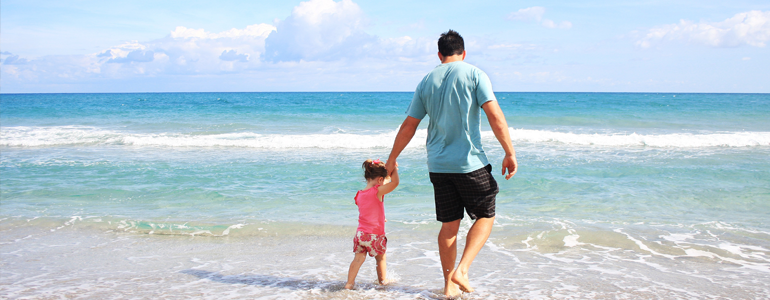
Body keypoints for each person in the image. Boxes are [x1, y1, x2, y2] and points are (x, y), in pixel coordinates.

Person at [385, 29, 517, 297]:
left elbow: (410, 125)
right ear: (463, 53)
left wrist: (392, 158)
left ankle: (448, 287)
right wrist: (509, 152)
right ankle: (462, 270)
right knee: (486, 215)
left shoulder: (426, 81)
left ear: (439, 54)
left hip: (438, 165)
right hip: (468, 163)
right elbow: (494, 116)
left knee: (449, 225)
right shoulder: (474, 74)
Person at [344, 159, 400, 290]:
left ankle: (349, 284)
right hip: (375, 235)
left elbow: (369, 210)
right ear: (380, 180)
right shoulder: (377, 191)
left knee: (357, 260)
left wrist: (381, 217)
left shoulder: (359, 195)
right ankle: (382, 281)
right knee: (380, 259)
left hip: (361, 235)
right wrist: (394, 169)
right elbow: (395, 183)